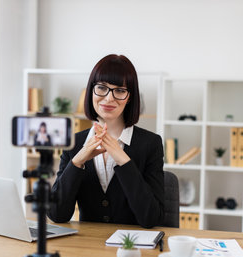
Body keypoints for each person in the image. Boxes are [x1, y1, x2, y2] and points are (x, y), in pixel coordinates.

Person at [48, 54, 166, 229]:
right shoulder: (74, 143)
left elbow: (151, 218)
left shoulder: (150, 144)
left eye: (119, 90)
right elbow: (57, 215)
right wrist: (78, 161)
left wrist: (123, 160)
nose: (109, 98)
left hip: (132, 250)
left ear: (129, 97)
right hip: (87, 248)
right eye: (102, 88)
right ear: (91, 91)